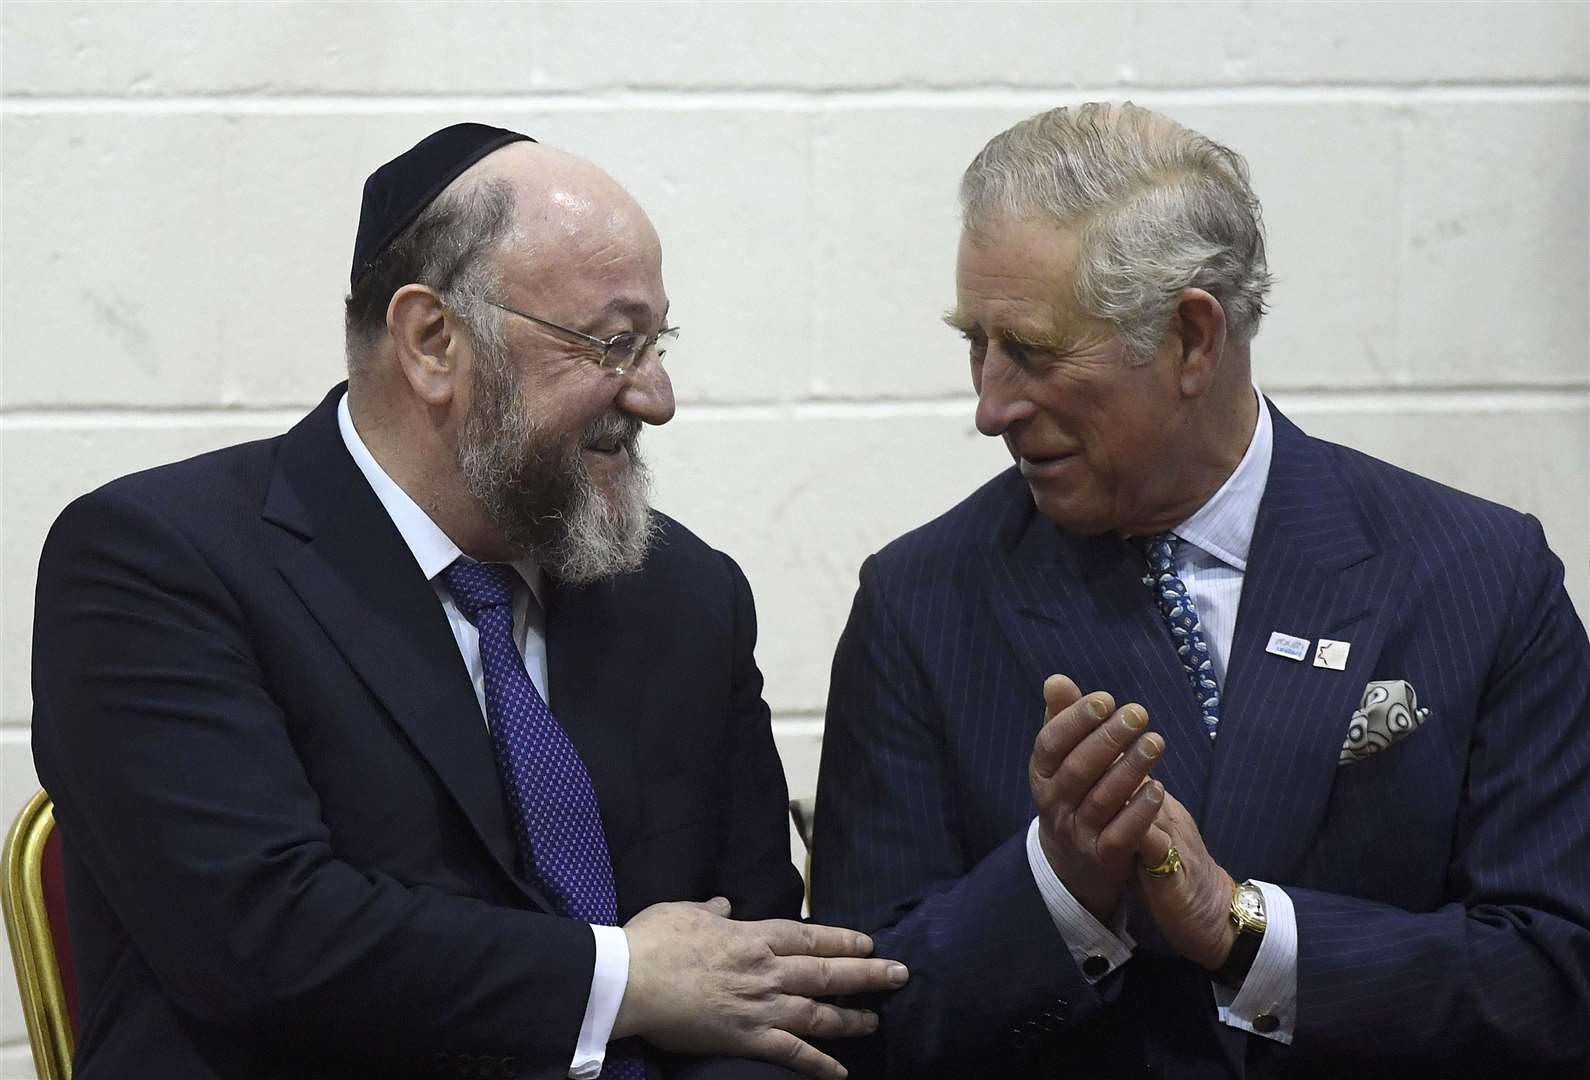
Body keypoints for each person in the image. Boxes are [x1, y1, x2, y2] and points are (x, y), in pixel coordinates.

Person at [31, 124, 907, 1080]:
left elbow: (757, 983)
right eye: (612, 344)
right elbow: (263, 940)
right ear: (433, 341)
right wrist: (622, 979)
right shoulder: (159, 563)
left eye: (657, 343)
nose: (655, 396)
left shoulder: (685, 595)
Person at [810, 103, 1590, 1079]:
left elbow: (1560, 983)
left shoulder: (1479, 575)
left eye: (1035, 354)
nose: (991, 406)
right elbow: (857, 1025)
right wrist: (1060, 890)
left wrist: (1244, 930)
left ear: (1190, 339)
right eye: (979, 342)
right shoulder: (922, 604)